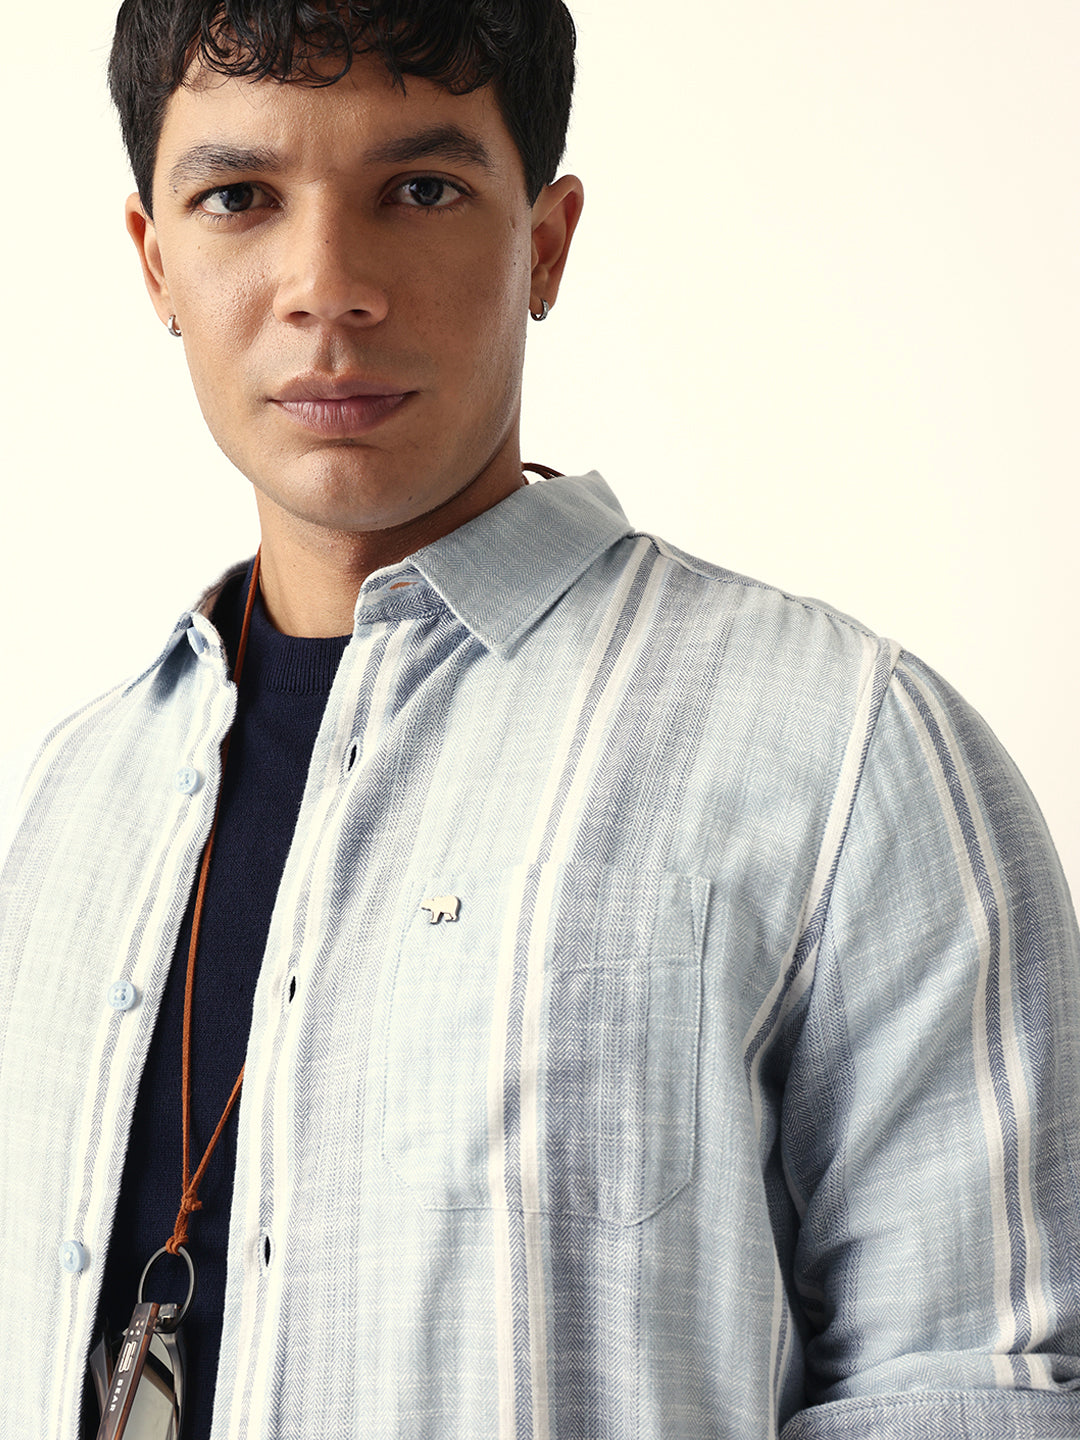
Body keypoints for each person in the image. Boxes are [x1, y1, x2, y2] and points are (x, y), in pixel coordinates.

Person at [1, 1, 1078, 1437]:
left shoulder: (846, 756)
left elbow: (980, 1379)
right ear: (156, 263)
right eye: (241, 197)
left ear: (547, 244)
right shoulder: (80, 792)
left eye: (419, 190)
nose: (328, 288)